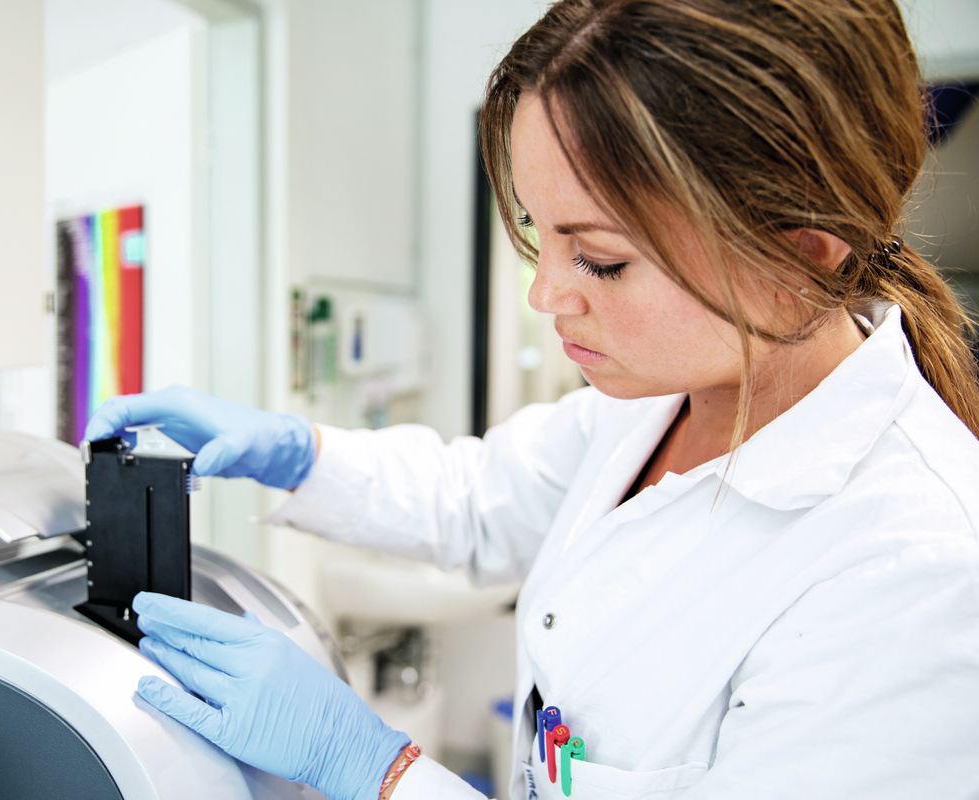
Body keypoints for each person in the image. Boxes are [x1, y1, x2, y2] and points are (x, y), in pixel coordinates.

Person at [85, 1, 979, 798]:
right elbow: (479, 498)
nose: (546, 294)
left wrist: (376, 772)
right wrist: (301, 451)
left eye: (601, 259)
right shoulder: (663, 396)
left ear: (805, 249)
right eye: (534, 230)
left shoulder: (915, 577)